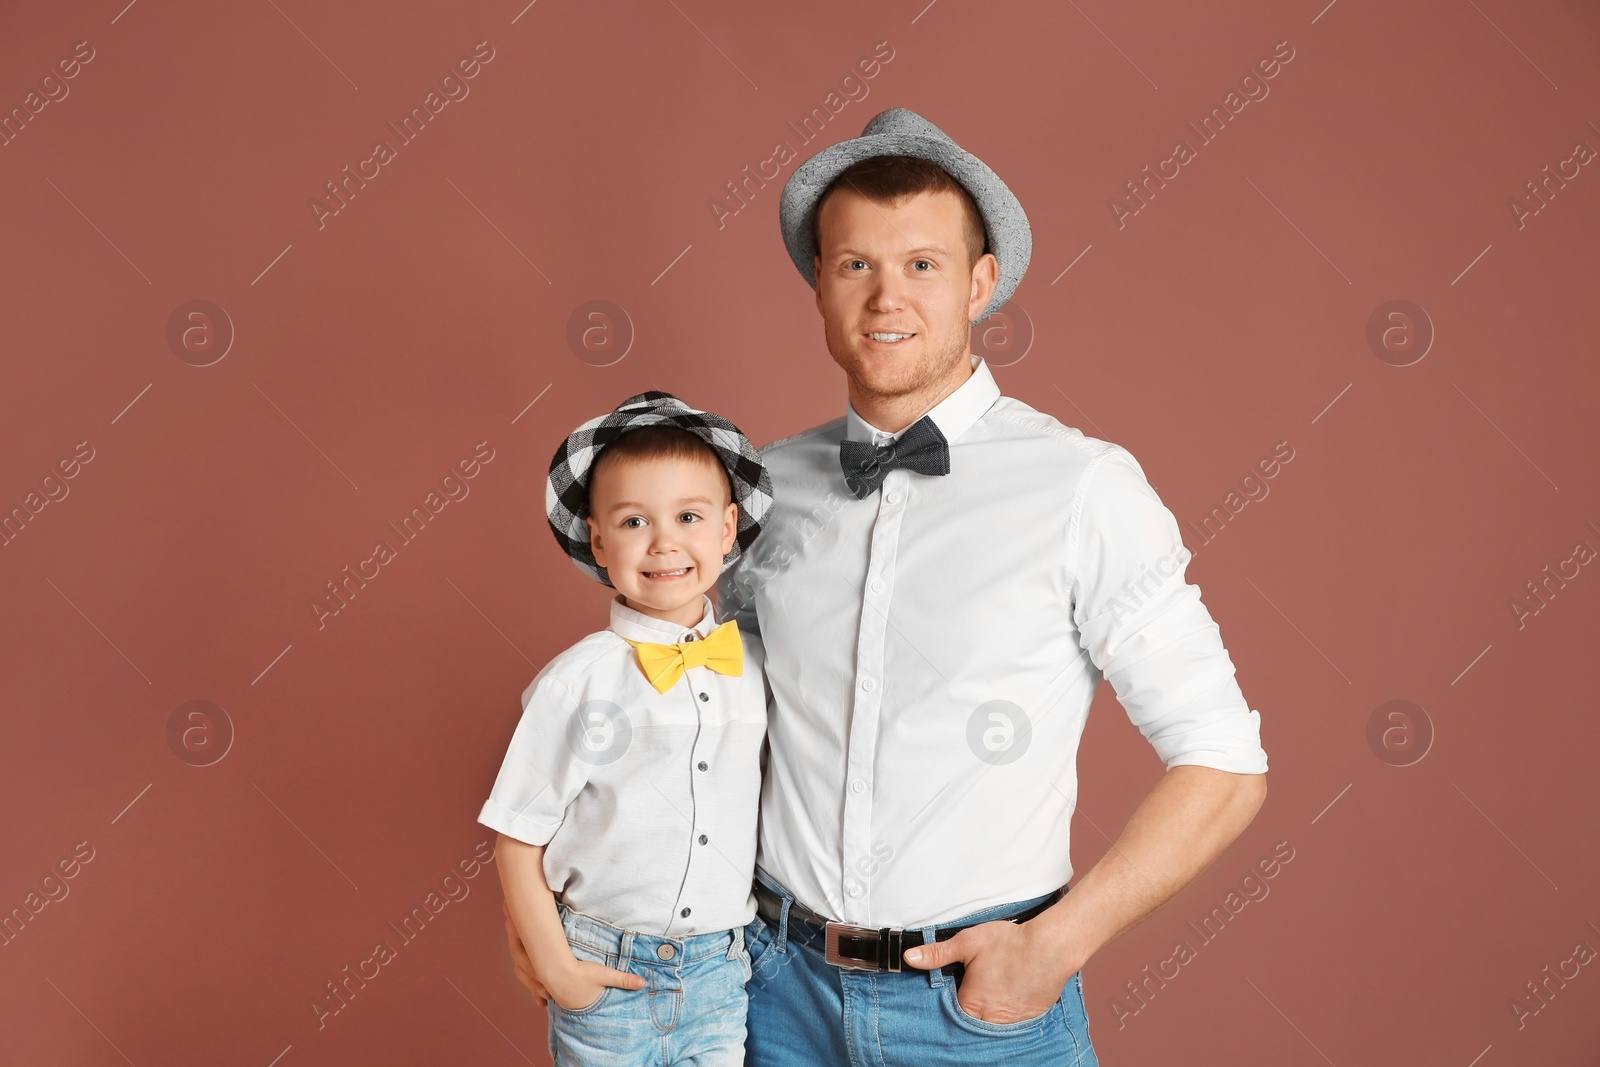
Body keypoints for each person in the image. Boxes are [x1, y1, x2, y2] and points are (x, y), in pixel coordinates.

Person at [504, 107, 1270, 1065]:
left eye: (922, 264)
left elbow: (1224, 762)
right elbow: (679, 694)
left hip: (979, 1009)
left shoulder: (1083, 488)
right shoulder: (757, 494)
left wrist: (1053, 949)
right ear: (818, 285)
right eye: (855, 265)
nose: (884, 298)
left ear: (982, 284)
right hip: (766, 993)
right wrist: (552, 910)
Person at [479, 390, 775, 1066]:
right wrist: (557, 968)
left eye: (689, 516)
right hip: (607, 969)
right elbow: (516, 837)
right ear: (598, 537)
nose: (666, 541)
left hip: (720, 974)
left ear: (728, 530)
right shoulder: (577, 682)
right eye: (635, 520)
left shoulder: (755, 666)